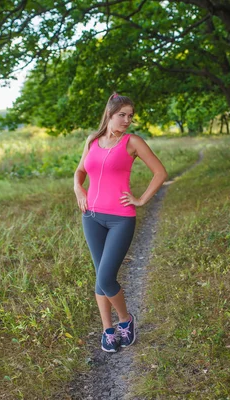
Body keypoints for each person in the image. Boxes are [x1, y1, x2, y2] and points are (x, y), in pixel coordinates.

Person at [74, 93, 168, 353]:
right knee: (99, 278)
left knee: (106, 277)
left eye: (130, 116)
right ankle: (107, 330)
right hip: (91, 217)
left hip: (120, 219)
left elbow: (160, 173)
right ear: (110, 114)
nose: (127, 120)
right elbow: (80, 171)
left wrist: (140, 200)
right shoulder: (92, 140)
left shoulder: (133, 142)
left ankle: (126, 320)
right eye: (122, 115)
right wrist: (79, 190)